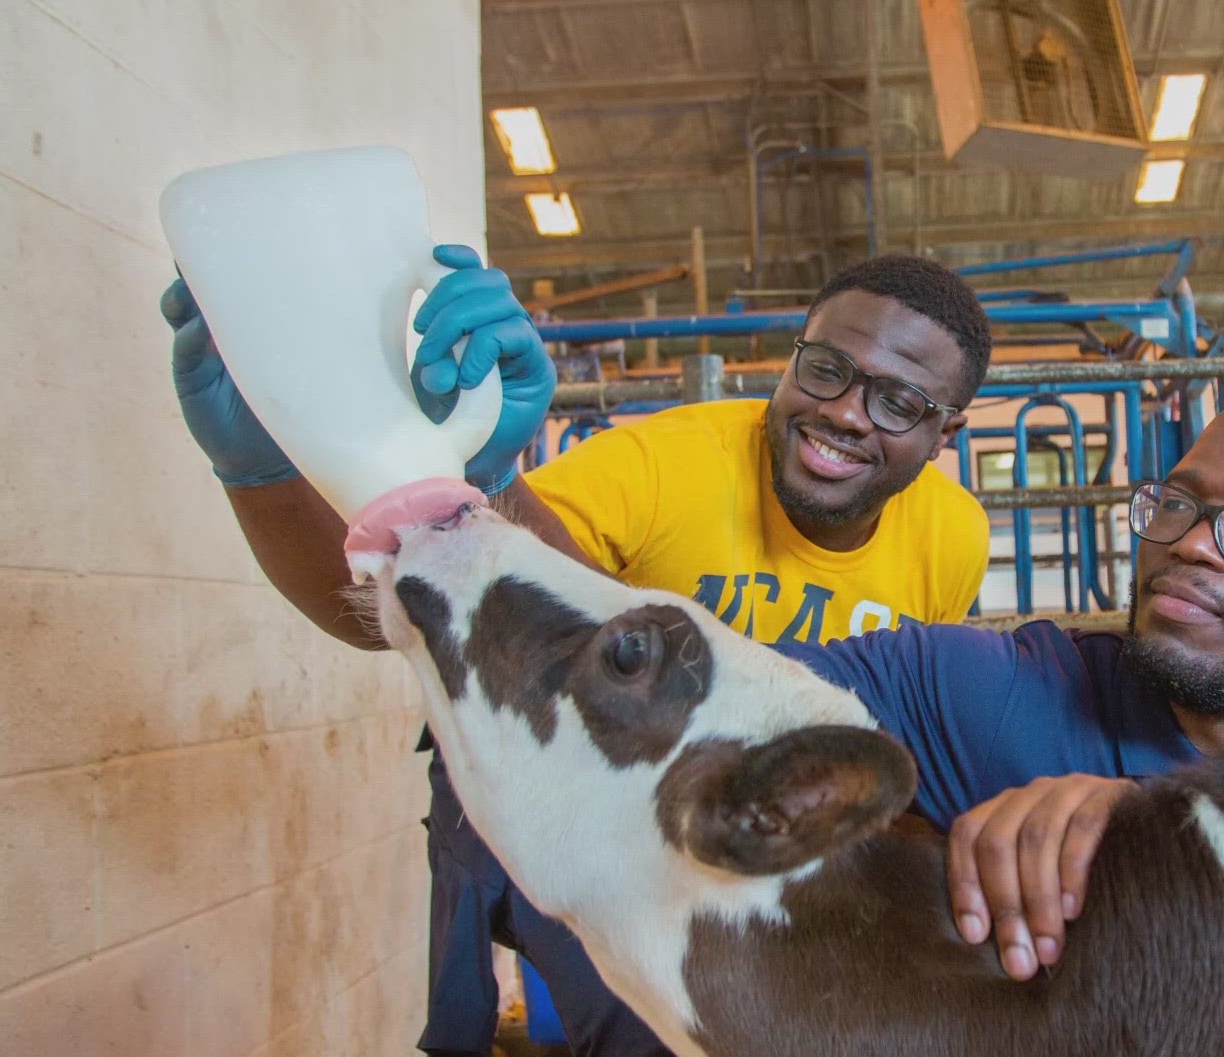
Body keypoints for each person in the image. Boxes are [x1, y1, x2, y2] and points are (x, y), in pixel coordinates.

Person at [164, 249, 994, 1056]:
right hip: (595, 816)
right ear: (792, 360)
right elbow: (427, 608)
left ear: (946, 431)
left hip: (761, 831)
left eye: (898, 403)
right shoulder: (659, 465)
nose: (847, 412)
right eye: (826, 370)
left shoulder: (954, 537)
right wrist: (259, 473)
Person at [781, 391, 1224, 982]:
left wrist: (1155, 830)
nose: (1189, 542)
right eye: (1178, 502)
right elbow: (718, 691)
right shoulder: (1002, 694)